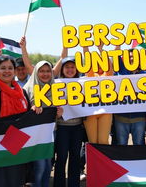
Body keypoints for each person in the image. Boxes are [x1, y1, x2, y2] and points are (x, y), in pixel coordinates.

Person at [0, 22, 30, 187]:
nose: (7, 71)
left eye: (10, 68)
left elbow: (27, 117)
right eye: (2, 68)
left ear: (14, 71)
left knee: (15, 180)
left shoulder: (23, 92)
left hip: (16, 145)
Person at [24, 60, 63, 187]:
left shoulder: (55, 88)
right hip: (36, 135)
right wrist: (32, 109)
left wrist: (59, 113)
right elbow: (22, 111)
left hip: (52, 132)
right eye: (41, 71)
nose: (45, 74)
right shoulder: (27, 89)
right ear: (36, 72)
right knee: (39, 166)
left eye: (48, 71)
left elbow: (60, 111)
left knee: (48, 164)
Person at [53, 56, 83, 187]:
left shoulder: (84, 83)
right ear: (62, 69)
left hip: (77, 127)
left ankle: (73, 184)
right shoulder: (55, 83)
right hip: (62, 128)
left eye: (72, 67)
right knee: (61, 157)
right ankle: (59, 184)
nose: (70, 70)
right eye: (67, 67)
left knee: (75, 158)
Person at [113, 47, 146, 145]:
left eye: (135, 57)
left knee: (139, 145)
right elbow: (116, 54)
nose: (132, 59)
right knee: (121, 147)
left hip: (139, 118)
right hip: (121, 118)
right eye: (130, 57)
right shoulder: (120, 70)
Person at [83, 43, 113, 144]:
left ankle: (103, 160)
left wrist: (101, 49)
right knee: (93, 141)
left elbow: (109, 68)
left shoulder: (107, 75)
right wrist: (85, 46)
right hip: (91, 112)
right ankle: (93, 160)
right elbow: (87, 59)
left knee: (103, 141)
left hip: (105, 112)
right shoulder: (90, 75)